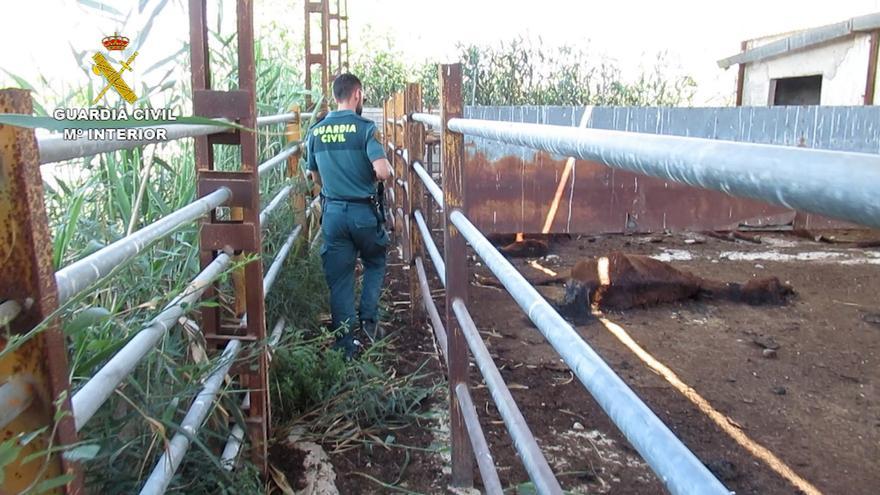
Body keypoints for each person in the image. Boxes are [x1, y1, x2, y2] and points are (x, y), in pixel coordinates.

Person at [306, 73, 393, 359]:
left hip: (333, 214)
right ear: (357, 94)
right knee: (375, 261)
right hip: (363, 212)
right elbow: (382, 171)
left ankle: (345, 346)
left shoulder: (316, 131)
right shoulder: (365, 129)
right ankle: (368, 320)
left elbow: (313, 176)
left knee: (340, 278)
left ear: (335, 96)